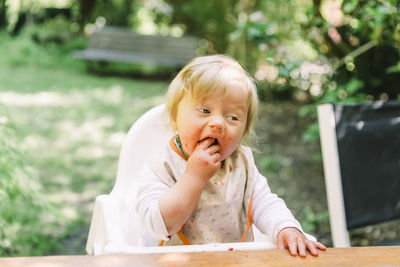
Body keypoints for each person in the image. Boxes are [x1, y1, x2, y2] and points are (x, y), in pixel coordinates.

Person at [135, 54, 326, 257]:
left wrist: (286, 227)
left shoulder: (241, 163)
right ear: (175, 118)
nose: (218, 123)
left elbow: (265, 202)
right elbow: (157, 224)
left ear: (243, 132)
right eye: (205, 110)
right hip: (169, 261)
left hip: (231, 259)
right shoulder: (162, 165)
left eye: (232, 117)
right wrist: (194, 176)